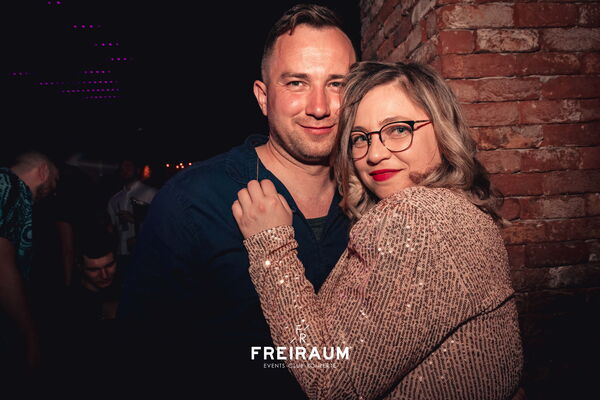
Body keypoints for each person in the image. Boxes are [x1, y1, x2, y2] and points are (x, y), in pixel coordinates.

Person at [232, 61, 524, 399]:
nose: (374, 153)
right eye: (360, 138)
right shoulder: (457, 209)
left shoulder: (416, 216)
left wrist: (271, 243)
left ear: (442, 129)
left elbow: (330, 384)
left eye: (398, 129)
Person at [118, 3, 356, 398]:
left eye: (337, 84)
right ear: (263, 97)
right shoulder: (192, 200)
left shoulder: (377, 200)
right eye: (296, 83)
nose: (319, 107)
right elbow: (143, 354)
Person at [0, 151, 58, 378]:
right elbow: (2, 267)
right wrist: (30, 335)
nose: (54, 189)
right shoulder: (12, 187)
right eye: (55, 180)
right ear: (43, 171)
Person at [106, 157, 157, 270]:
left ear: (137, 170)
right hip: (121, 253)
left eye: (128, 166)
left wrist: (135, 220)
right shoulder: (114, 199)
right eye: (122, 167)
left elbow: (161, 223)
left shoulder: (151, 193)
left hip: (144, 253)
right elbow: (113, 228)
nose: (125, 169)